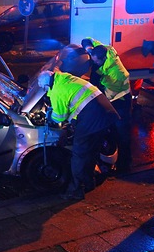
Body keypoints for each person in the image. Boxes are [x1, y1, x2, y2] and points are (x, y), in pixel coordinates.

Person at [38, 69, 118, 201]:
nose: (46, 92)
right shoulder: (66, 78)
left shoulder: (58, 90)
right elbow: (77, 102)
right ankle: (89, 183)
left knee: (79, 155)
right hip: (105, 114)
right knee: (91, 152)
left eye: (45, 89)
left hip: (91, 120)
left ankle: (75, 190)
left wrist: (50, 116)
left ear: (47, 85)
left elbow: (59, 117)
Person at [89, 44, 133, 172]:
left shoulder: (116, 75)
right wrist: (87, 47)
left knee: (122, 133)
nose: (93, 63)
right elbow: (88, 40)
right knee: (112, 131)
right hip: (113, 97)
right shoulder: (108, 51)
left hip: (120, 102)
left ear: (103, 59)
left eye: (96, 61)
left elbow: (105, 98)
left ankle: (125, 166)